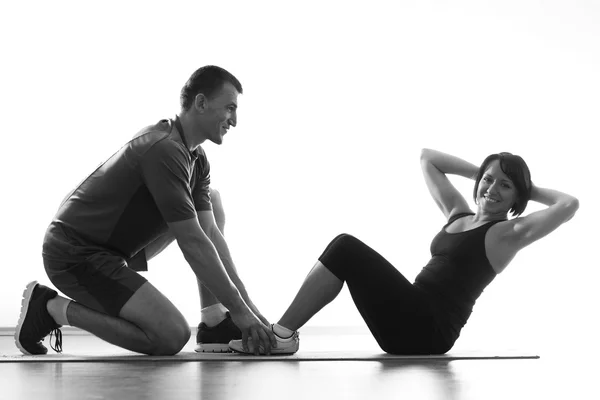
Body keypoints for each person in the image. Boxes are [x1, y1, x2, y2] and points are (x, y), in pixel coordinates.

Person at [15, 65, 277, 356]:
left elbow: (210, 235)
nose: (235, 120)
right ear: (201, 103)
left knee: (211, 202)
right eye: (230, 108)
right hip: (74, 253)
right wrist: (242, 313)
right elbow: (193, 242)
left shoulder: (196, 158)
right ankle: (51, 309)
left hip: (110, 251)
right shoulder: (163, 148)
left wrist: (249, 311)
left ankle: (214, 322)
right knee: (171, 336)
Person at [229, 148, 579, 355]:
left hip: (429, 328)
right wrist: (491, 170)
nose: (492, 189)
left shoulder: (509, 233)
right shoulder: (459, 214)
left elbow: (568, 204)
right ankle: (282, 334)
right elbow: (429, 158)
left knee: (346, 247)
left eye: (505, 186)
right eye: (489, 180)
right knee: (343, 251)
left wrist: (523, 186)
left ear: (516, 197)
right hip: (411, 312)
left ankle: (281, 336)